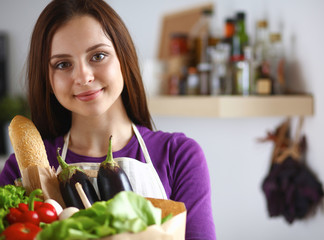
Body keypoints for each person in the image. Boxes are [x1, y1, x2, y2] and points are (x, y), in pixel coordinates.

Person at [0, 0, 216, 239]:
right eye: (63, 64)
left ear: (123, 58)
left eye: (98, 55)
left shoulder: (179, 155)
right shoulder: (22, 172)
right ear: (47, 80)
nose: (83, 77)